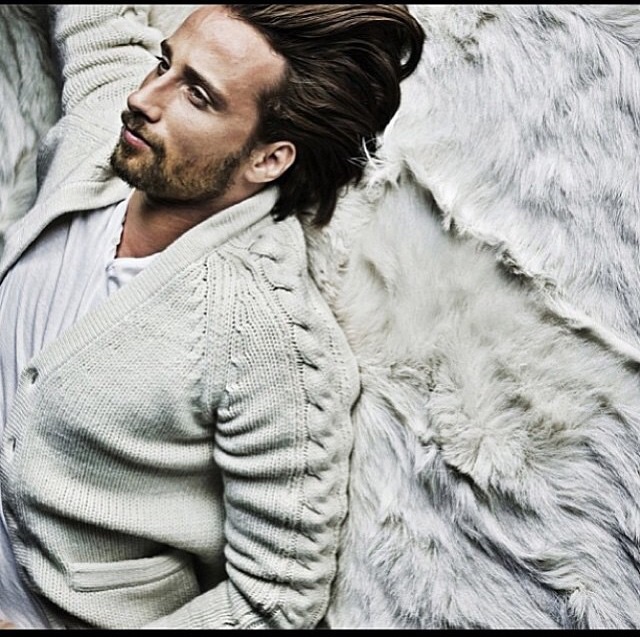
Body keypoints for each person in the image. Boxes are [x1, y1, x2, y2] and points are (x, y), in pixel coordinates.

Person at [0, 4, 424, 630]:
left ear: (267, 159)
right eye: (163, 64)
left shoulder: (267, 336)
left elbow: (275, 598)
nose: (143, 98)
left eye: (197, 96)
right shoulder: (105, 136)